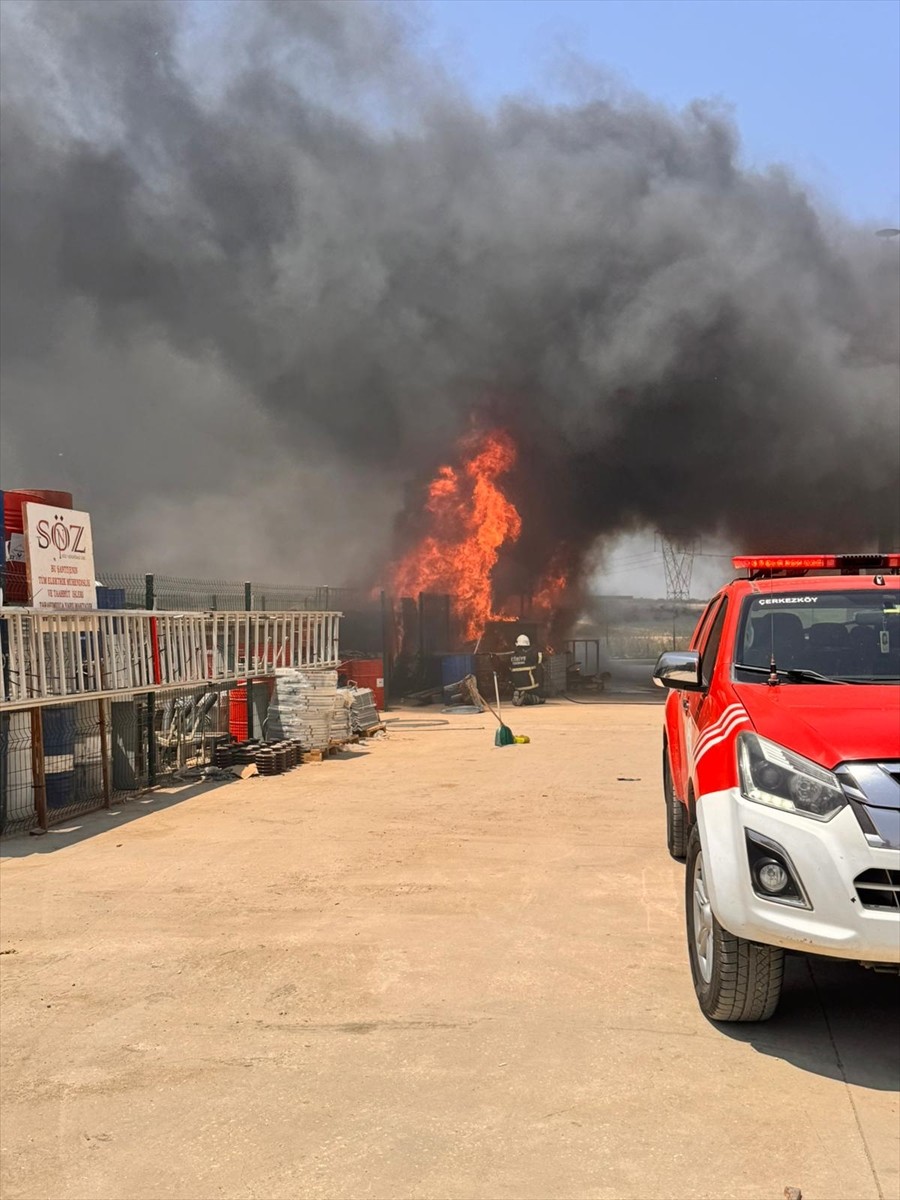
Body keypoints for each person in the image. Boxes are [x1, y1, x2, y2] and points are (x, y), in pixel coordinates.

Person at [509, 634, 545, 705]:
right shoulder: (531, 654)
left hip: (517, 685)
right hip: (530, 685)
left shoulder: (512, 656)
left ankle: (518, 695)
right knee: (539, 698)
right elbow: (542, 658)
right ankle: (526, 698)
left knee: (523, 692)